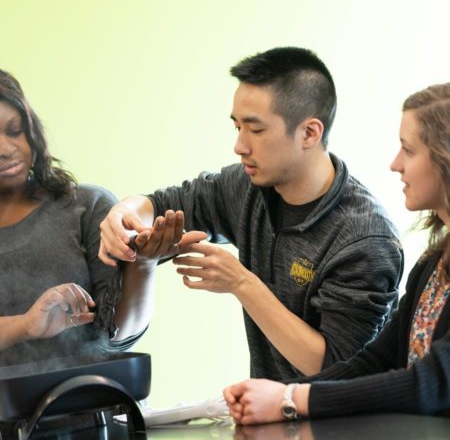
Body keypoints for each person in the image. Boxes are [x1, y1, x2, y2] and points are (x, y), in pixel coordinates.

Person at [99, 47, 403, 379]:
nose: (240, 145)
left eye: (255, 130)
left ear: (309, 133)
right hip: (273, 419)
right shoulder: (248, 186)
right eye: (237, 127)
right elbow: (158, 203)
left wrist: (242, 283)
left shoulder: (365, 239)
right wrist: (122, 215)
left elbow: (339, 367)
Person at [223, 82, 450, 423]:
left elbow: (427, 385)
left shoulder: (367, 238)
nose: (395, 164)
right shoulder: (432, 263)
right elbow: (374, 361)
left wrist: (290, 398)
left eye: (408, 150)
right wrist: (280, 397)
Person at [0, 69, 205, 365]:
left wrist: (143, 265)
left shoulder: (86, 206)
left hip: (90, 402)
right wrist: (25, 325)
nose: (5, 150)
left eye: (15, 131)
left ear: (32, 131)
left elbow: (116, 338)